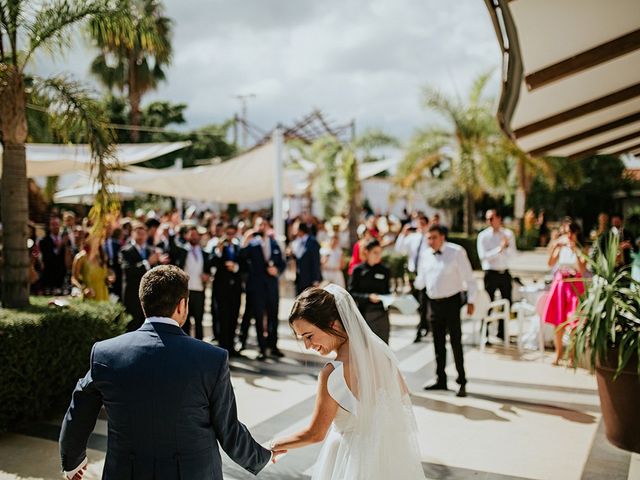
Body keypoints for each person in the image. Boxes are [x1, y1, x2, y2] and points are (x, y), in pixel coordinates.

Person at [59, 265, 274, 480]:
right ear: (182, 305)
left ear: (143, 303)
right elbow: (229, 430)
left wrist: (72, 460)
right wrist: (262, 456)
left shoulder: (106, 354)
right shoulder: (211, 359)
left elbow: (79, 408)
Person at [270, 285, 425, 479]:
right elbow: (402, 397)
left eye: (309, 336)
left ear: (333, 324)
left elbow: (315, 433)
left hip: (349, 460)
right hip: (387, 458)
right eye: (302, 339)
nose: (307, 345)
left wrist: (276, 445)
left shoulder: (332, 373)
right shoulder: (382, 355)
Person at [415, 225, 477, 397]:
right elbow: (422, 279)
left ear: (442, 237)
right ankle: (440, 379)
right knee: (437, 344)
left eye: (433, 237)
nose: (430, 241)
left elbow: (470, 279)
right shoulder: (426, 254)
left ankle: (461, 381)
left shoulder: (456, 252)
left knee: (456, 342)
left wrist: (471, 300)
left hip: (452, 303)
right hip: (433, 304)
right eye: (428, 238)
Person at [240, 218, 286, 360]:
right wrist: (245, 241)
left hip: (272, 287)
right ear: (255, 227)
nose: (262, 227)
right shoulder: (252, 244)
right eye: (259, 224)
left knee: (273, 316)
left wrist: (277, 270)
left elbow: (282, 263)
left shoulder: (274, 243)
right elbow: (241, 258)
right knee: (259, 319)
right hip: (257, 287)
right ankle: (262, 348)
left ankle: (273, 346)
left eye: (264, 224)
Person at [544, 220, 587, 366]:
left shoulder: (582, 247)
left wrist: (575, 249)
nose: (568, 235)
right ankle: (558, 353)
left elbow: (581, 269)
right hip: (561, 284)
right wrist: (555, 246)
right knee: (558, 321)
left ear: (576, 233)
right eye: (565, 232)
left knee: (573, 321)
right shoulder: (561, 247)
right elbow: (550, 263)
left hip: (575, 284)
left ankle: (572, 356)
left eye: (570, 232)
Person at [119, 222, 167, 331]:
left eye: (143, 233)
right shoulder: (125, 250)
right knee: (132, 326)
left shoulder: (150, 250)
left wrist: (160, 262)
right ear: (132, 234)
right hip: (132, 295)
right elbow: (128, 270)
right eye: (138, 233)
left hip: (148, 296)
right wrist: (147, 263)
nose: (141, 236)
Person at [477, 209, 516, 340]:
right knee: (487, 302)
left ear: (499, 218)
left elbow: (512, 254)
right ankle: (484, 333)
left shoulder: (508, 234)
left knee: (507, 302)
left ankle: (502, 332)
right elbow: (484, 256)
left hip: (504, 272)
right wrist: (499, 249)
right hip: (490, 273)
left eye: (491, 218)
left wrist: (506, 247)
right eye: (487, 218)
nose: (489, 221)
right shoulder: (483, 236)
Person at [394, 214, 430, 341]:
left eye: (423, 223)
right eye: (418, 223)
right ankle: (425, 323)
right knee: (417, 302)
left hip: (425, 274)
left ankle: (421, 328)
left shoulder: (429, 237)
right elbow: (399, 249)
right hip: (412, 274)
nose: (420, 226)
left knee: (423, 301)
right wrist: (403, 234)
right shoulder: (412, 238)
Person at [348, 239, 391, 343]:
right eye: (375, 252)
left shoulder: (384, 270)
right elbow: (351, 293)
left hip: (381, 315)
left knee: (382, 348)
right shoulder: (358, 270)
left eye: (380, 252)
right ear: (366, 252)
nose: (378, 255)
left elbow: (387, 292)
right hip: (363, 315)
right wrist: (368, 297)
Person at [211, 223, 244, 356]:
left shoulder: (237, 247)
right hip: (221, 289)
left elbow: (243, 264)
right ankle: (223, 347)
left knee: (234, 317)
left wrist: (235, 267)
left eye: (232, 233)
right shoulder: (218, 246)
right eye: (227, 233)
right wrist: (218, 252)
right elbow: (211, 264)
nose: (230, 236)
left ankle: (231, 346)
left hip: (235, 289)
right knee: (222, 318)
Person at [175, 226, 212, 340]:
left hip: (200, 289)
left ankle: (199, 344)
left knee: (199, 319)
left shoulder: (204, 253)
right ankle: (185, 343)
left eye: (196, 234)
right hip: (185, 290)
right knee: (185, 320)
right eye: (192, 234)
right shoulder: (182, 250)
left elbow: (208, 269)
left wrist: (207, 275)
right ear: (187, 236)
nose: (194, 237)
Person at [71, 233, 111, 302]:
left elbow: (106, 273)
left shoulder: (101, 256)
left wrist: (111, 276)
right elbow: (74, 279)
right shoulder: (80, 257)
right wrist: (84, 289)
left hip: (104, 294)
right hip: (90, 296)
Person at [39, 216, 69, 293]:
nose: (55, 227)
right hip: (49, 275)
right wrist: (59, 246)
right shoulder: (44, 241)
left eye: (57, 224)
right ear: (49, 226)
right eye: (53, 224)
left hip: (62, 275)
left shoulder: (66, 239)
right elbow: (48, 258)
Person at [291, 221, 322, 295]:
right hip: (299, 279)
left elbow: (316, 261)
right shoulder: (297, 242)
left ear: (300, 230)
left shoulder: (313, 242)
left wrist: (316, 280)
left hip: (309, 280)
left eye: (295, 228)